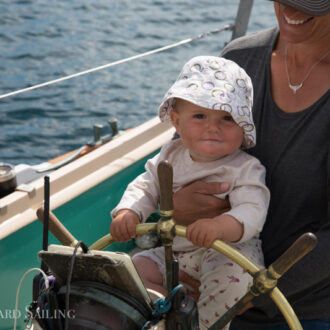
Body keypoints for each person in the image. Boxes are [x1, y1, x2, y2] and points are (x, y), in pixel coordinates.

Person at [172, 0, 330, 329]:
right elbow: (183, 155)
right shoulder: (238, 59)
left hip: (302, 308)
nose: (293, 8)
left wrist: (254, 293)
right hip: (201, 281)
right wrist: (172, 208)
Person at [110, 55, 270, 329]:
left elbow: (253, 211)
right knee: (132, 270)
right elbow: (146, 185)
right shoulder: (170, 155)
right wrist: (130, 212)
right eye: (199, 116)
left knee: (235, 279)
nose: (212, 127)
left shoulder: (245, 168)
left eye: (227, 118)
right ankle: (162, 313)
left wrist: (219, 225)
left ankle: (204, 325)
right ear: (176, 121)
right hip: (175, 253)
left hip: (226, 253)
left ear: (242, 128)